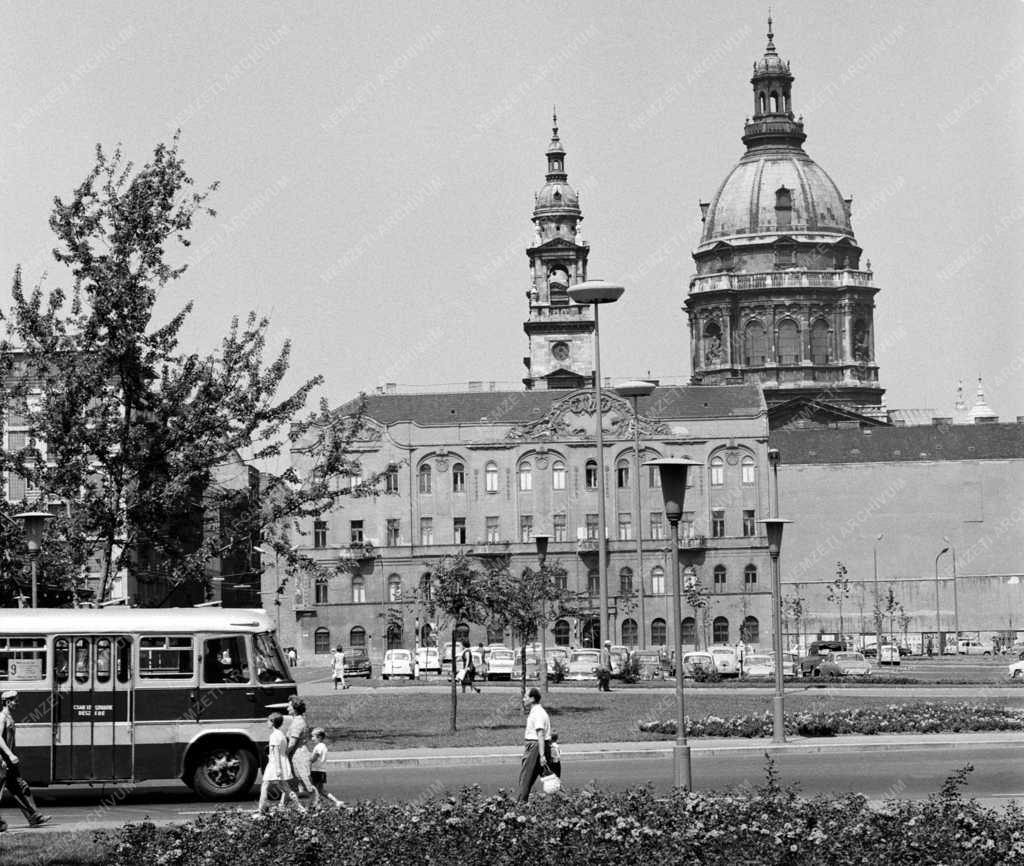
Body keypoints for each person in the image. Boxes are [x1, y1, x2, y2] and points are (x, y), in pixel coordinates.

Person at [0, 691, 51, 829]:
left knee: (21, 787)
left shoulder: (9, 717)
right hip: (2, 762)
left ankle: (34, 817)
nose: (17, 703)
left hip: (9, 763)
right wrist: (10, 755)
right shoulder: (2, 717)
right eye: (14, 700)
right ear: (7, 702)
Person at [257, 712, 305, 814]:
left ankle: (261, 810)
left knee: (265, 785)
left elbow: (276, 752)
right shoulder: (281, 734)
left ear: (272, 722)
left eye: (268, 721)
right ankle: (300, 807)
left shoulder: (274, 736)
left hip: (275, 764)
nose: (267, 723)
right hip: (282, 762)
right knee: (286, 788)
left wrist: (278, 768)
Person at [516, 687, 552, 802]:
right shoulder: (538, 712)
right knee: (550, 779)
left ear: (532, 699)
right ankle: (565, 801)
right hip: (538, 747)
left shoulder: (538, 713)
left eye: (525, 697)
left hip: (535, 748)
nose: (523, 699)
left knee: (525, 778)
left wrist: (542, 755)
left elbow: (540, 734)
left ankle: (520, 806)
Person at [284, 696, 315, 800]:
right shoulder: (299, 720)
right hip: (299, 754)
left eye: (289, 706)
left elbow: (292, 743)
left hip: (300, 755)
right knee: (300, 782)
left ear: (295, 708)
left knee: (307, 783)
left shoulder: (298, 723)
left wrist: (284, 754)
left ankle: (317, 805)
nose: (287, 708)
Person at [309, 727, 342, 807]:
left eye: (313, 736)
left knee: (314, 788)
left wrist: (307, 760)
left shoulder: (318, 747)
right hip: (321, 770)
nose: (312, 738)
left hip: (316, 770)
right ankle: (336, 801)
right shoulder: (323, 746)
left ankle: (317, 804)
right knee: (321, 790)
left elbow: (313, 759)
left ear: (319, 737)